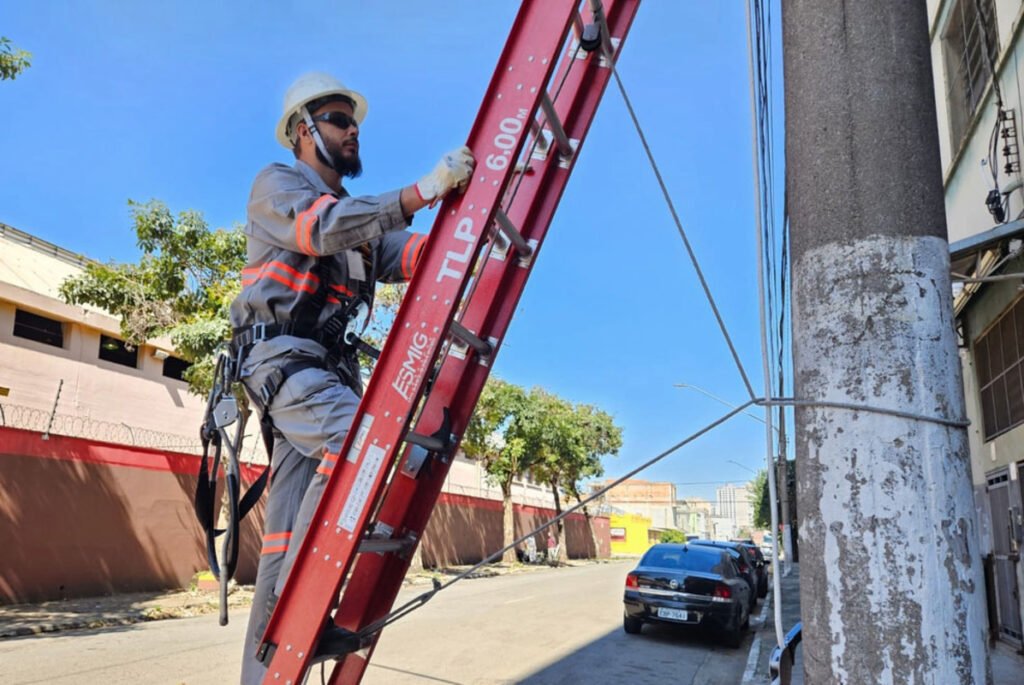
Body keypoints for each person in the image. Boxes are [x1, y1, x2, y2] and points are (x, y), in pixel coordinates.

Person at [230, 71, 475, 684]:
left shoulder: (364, 231)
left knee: (282, 541)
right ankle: (302, 615)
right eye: (339, 120)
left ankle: (266, 665)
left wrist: (466, 222)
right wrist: (422, 190)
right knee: (356, 442)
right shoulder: (278, 184)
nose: (352, 129)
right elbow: (322, 227)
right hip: (282, 361)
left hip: (319, 370)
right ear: (301, 133)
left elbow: (412, 254)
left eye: (354, 120)